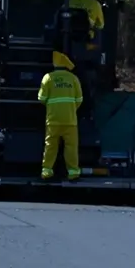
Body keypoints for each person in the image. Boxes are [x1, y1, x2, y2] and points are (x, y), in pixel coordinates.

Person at [38, 51, 83, 181]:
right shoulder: (73, 78)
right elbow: (79, 99)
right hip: (70, 120)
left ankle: (47, 171)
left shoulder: (48, 77)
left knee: (50, 145)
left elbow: (41, 98)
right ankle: (73, 172)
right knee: (71, 147)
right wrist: (70, 109)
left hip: (53, 119)